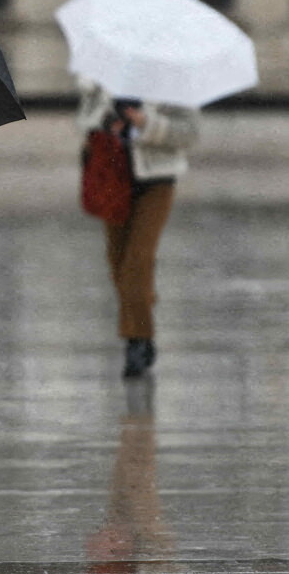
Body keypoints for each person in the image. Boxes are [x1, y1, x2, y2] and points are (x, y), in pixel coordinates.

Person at [78, 84, 200, 377]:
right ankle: (142, 304)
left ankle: (138, 340)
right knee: (118, 261)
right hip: (113, 177)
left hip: (157, 180)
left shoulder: (173, 79)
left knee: (138, 261)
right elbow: (83, 119)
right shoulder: (104, 78)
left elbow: (189, 133)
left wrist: (146, 123)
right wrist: (107, 122)